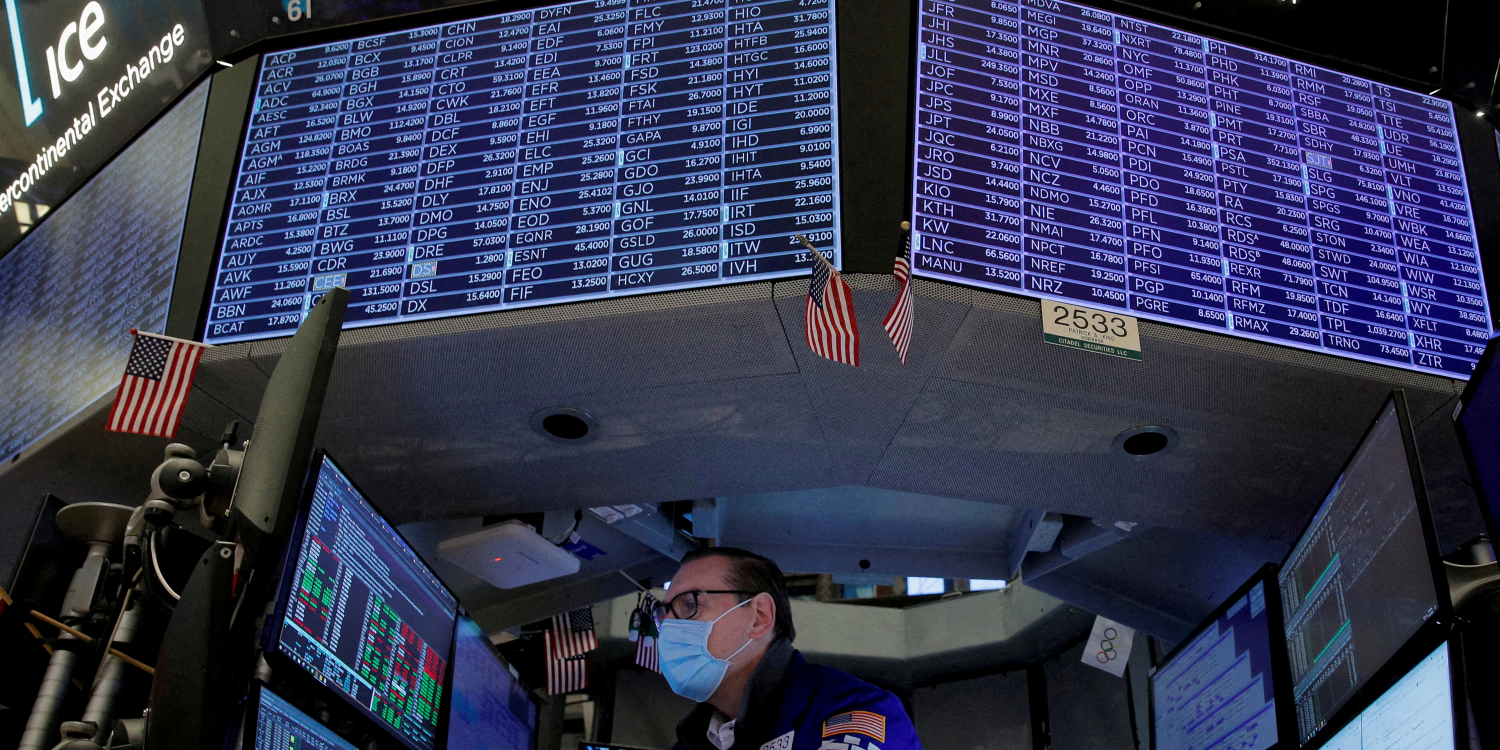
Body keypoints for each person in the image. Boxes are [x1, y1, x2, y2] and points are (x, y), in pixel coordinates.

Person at [653, 547, 921, 750]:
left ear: (760, 616)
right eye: (663, 613)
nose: (669, 626)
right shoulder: (694, 741)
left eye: (689, 605)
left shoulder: (858, 712)